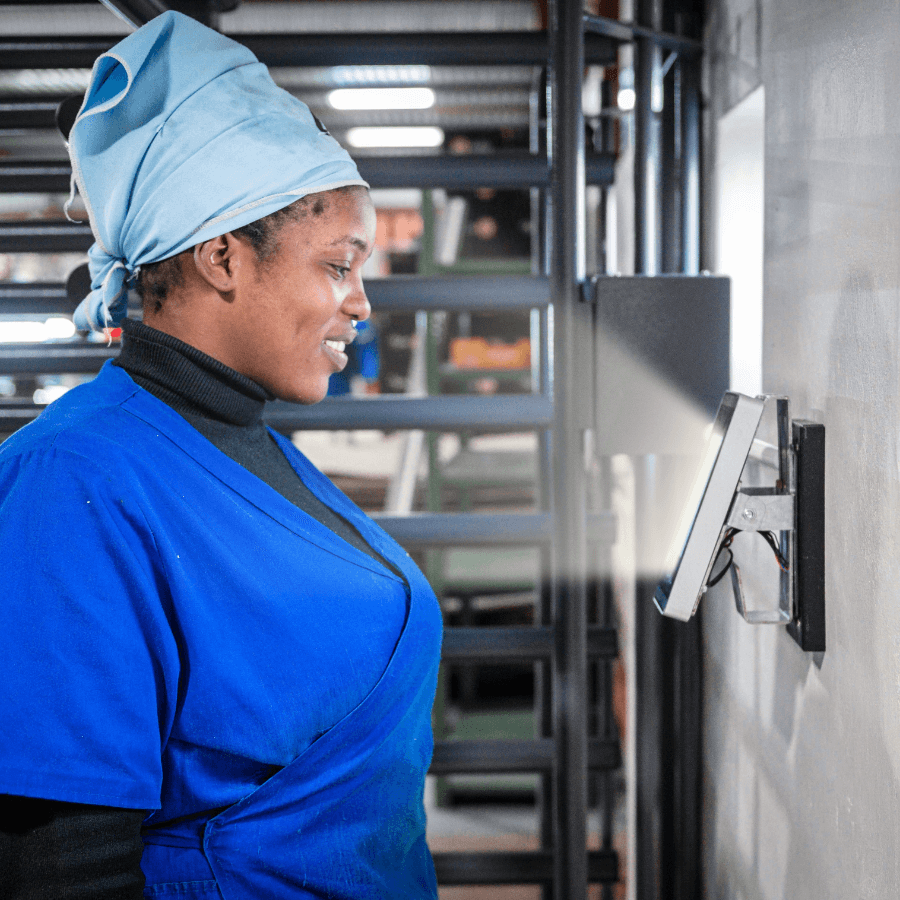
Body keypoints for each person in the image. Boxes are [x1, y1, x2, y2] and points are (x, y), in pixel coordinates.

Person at [0, 12, 442, 900]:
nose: (361, 303)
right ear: (222, 256)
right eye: (338, 264)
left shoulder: (240, 444)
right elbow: (59, 867)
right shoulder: (75, 480)